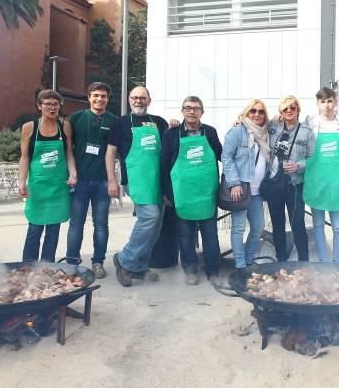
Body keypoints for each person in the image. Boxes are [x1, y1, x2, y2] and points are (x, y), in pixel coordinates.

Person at [106, 86, 169, 287]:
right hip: (137, 179)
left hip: (158, 180)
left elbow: (170, 146)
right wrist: (112, 180)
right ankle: (125, 260)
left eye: (142, 97)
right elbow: (110, 153)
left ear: (149, 100)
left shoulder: (159, 122)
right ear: (129, 100)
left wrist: (176, 125)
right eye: (135, 98)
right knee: (150, 217)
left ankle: (140, 266)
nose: (138, 101)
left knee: (156, 226)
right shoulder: (121, 123)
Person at [161, 96, 223, 285]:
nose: (191, 111)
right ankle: (190, 269)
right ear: (182, 112)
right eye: (187, 108)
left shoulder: (210, 132)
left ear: (201, 112)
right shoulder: (171, 134)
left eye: (196, 108)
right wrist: (166, 193)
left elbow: (222, 156)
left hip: (206, 194)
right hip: (182, 194)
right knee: (185, 235)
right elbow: (164, 165)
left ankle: (213, 270)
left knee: (210, 234)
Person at [65, 82, 118, 278]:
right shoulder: (75, 118)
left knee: (101, 224)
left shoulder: (114, 120)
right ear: (88, 97)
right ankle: (72, 262)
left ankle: (98, 262)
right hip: (79, 181)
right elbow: (67, 148)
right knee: (76, 224)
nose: (99, 99)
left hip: (102, 181)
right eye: (95, 95)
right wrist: (70, 173)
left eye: (103, 96)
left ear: (107, 98)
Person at [18, 90, 77, 262]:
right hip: (38, 186)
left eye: (56, 104)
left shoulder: (64, 126)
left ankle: (47, 267)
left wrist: (73, 173)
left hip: (59, 187)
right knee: (34, 229)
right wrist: (22, 182)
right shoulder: (29, 127)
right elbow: (24, 157)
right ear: (39, 106)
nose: (52, 107)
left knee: (53, 230)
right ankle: (27, 267)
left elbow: (69, 154)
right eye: (48, 104)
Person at [303, 87, 339, 264]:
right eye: (322, 101)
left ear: (336, 102)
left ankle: (336, 263)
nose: (327, 105)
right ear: (318, 104)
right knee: (318, 226)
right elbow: (292, 131)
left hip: (338, 182)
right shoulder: (309, 122)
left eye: (330, 101)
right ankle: (323, 261)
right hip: (316, 181)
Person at [265, 96, 315, 262]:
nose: (289, 111)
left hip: (294, 184)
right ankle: (281, 260)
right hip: (274, 182)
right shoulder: (273, 127)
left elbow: (314, 158)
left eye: (292, 108)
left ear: (298, 110)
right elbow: (253, 123)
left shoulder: (306, 132)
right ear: (281, 111)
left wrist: (298, 165)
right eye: (285, 108)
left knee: (297, 223)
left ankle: (303, 262)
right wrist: (238, 122)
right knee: (277, 224)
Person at [222, 99, 270, 269]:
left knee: (258, 227)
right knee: (239, 227)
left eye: (261, 111)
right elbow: (226, 157)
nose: (257, 114)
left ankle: (250, 260)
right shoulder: (238, 131)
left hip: (257, 190)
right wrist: (234, 183)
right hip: (241, 187)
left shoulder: (266, 133)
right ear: (247, 113)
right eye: (253, 111)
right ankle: (241, 265)